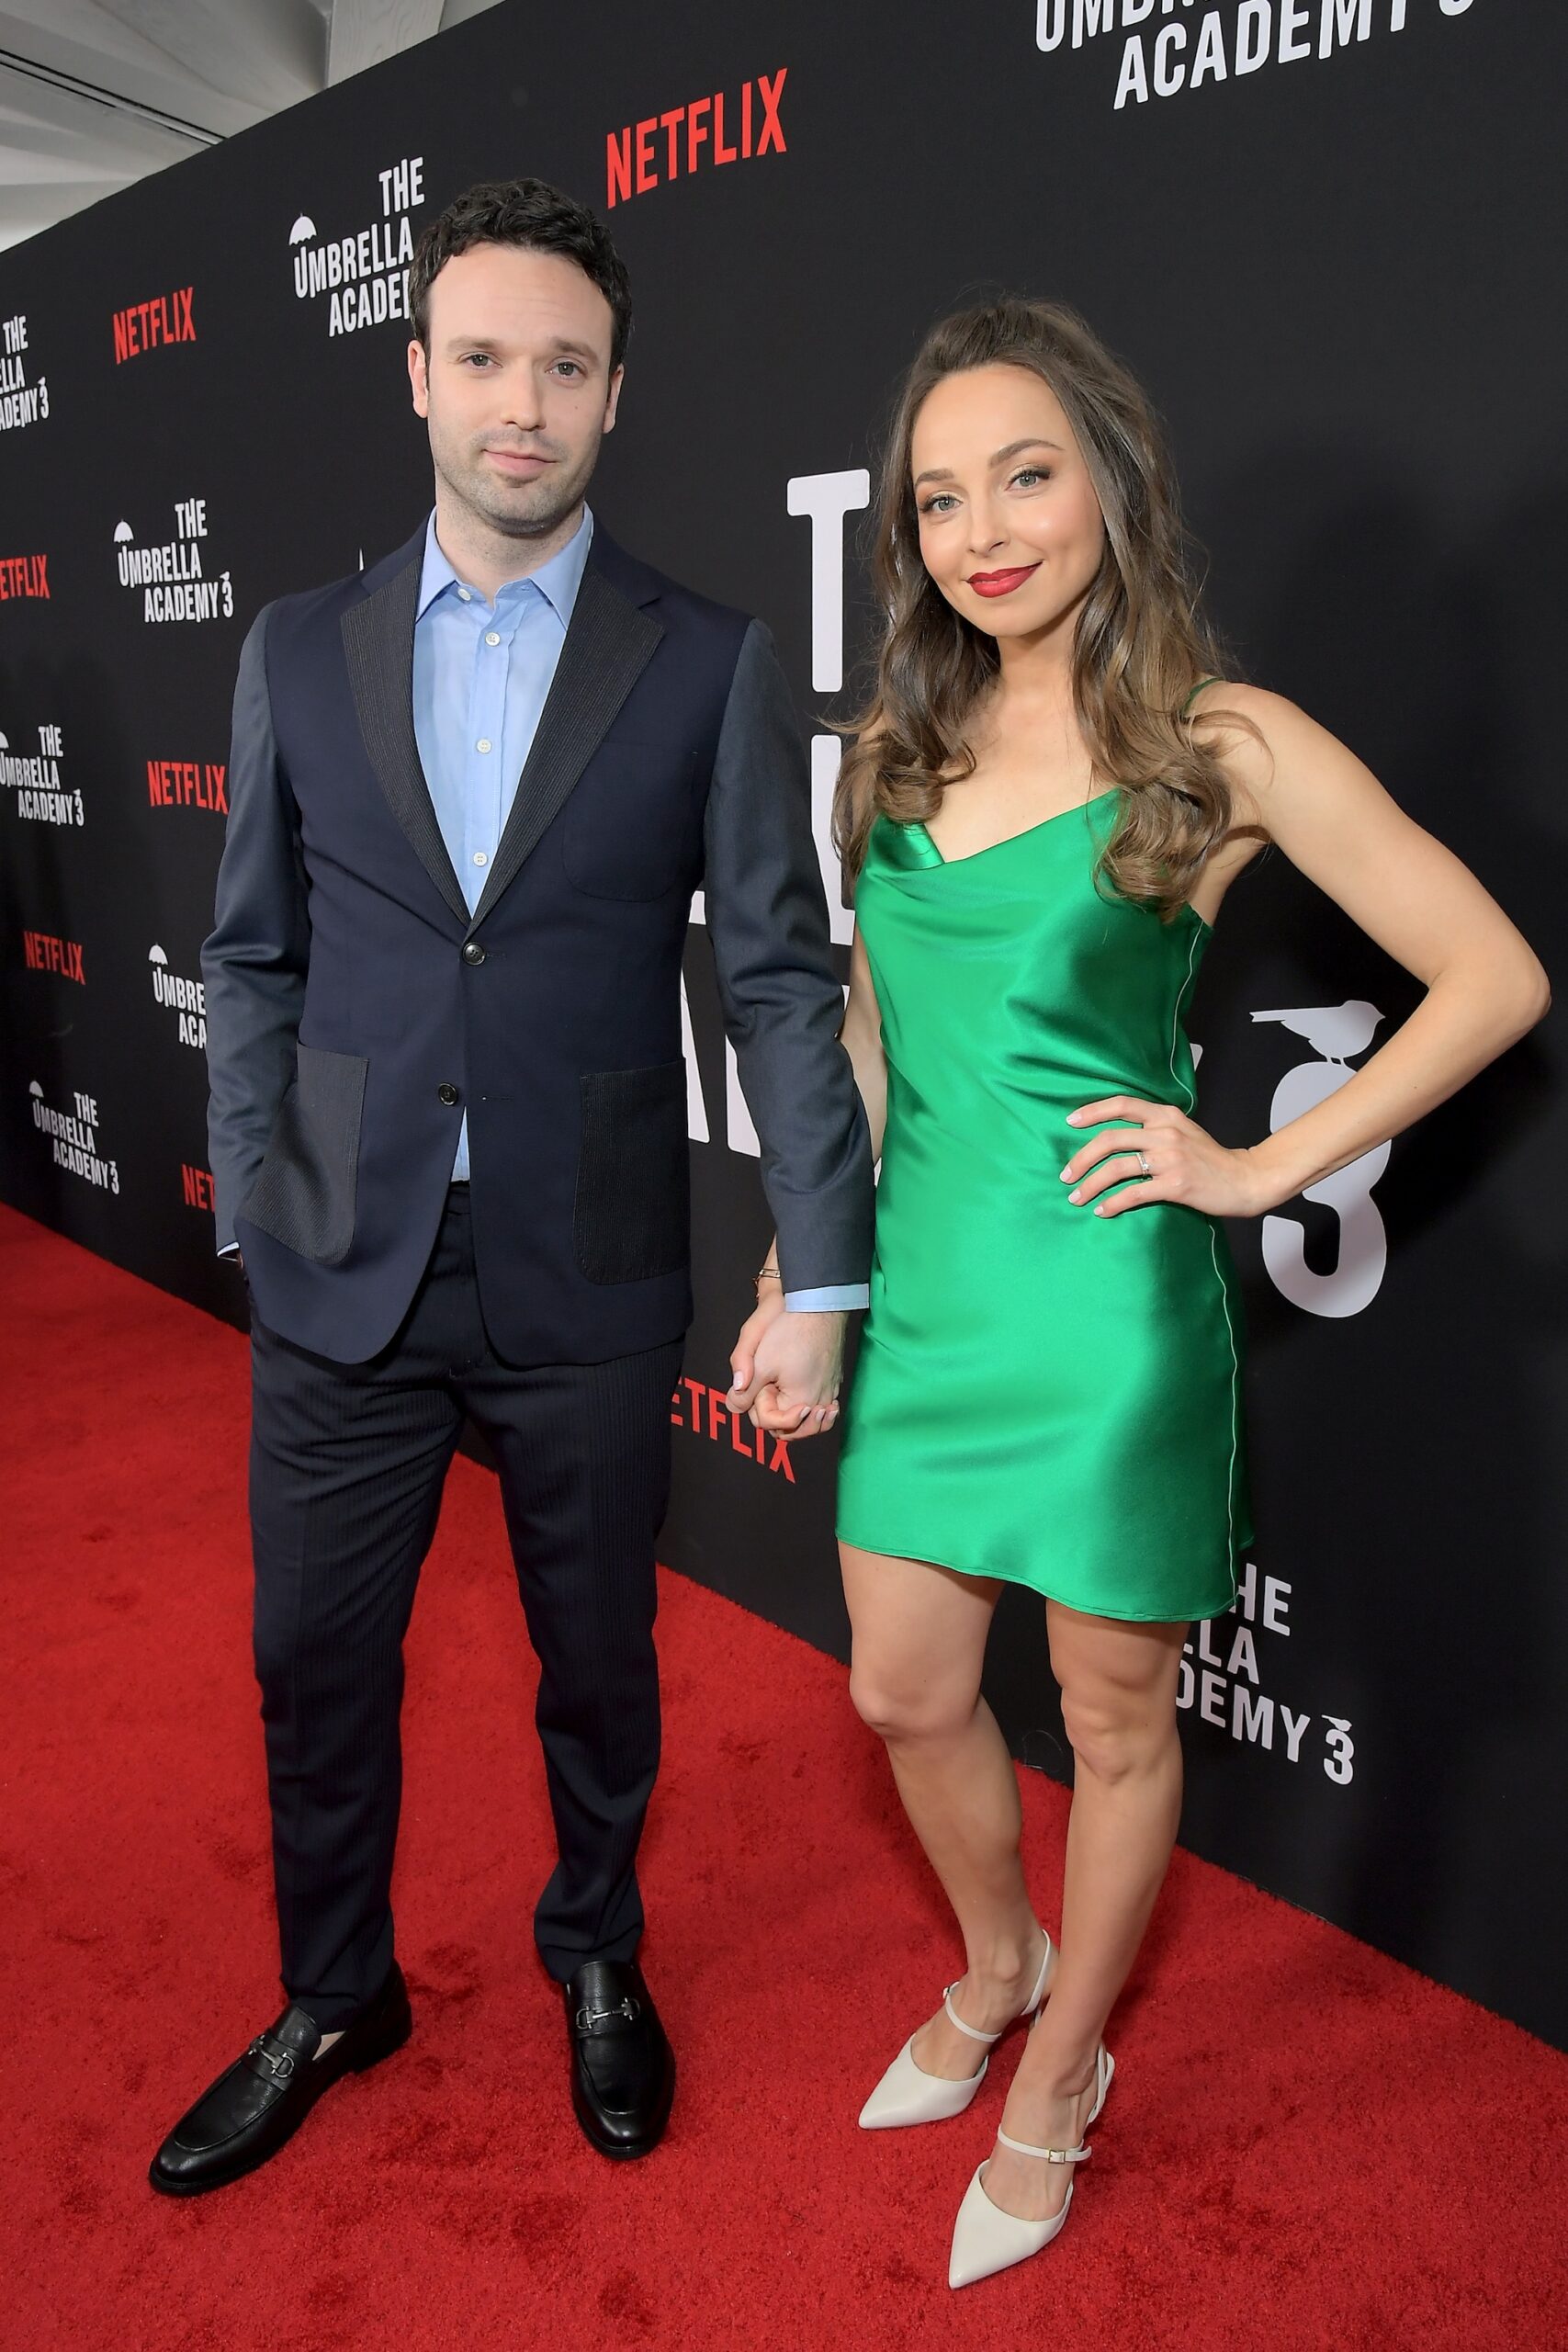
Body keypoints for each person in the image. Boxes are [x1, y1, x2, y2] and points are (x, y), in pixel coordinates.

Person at [806, 297, 1545, 2288]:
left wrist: (1246, 1161)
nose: (983, 529)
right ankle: (994, 1953)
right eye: (939, 496)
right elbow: (878, 1033)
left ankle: (1055, 2068)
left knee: (1114, 1719)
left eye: (1023, 474)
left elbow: (1491, 975)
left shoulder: (1215, 742)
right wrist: (830, 1272)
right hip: (938, 1307)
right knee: (899, 1678)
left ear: (1109, 482)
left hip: (1108, 1314)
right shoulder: (885, 749)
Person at [150, 177, 871, 2198]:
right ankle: (330, 1988)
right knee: (311, 1655)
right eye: (482, 359)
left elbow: (779, 976)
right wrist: (256, 1190)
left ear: (616, 393)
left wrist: (825, 1265)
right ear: (419, 379)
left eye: (563, 364)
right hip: (340, 1256)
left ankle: (597, 1952)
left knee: (596, 1658)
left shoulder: (706, 661)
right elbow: (253, 952)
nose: (520, 403)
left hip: (588, 1253)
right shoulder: (297, 651)